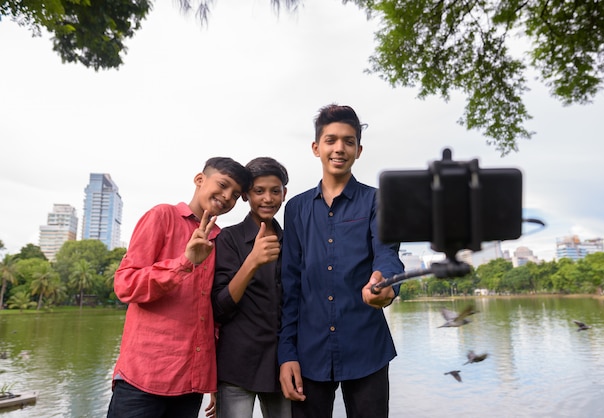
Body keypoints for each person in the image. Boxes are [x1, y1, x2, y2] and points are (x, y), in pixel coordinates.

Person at [277, 104, 404, 418]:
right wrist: (286, 353)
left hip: (366, 345)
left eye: (348, 141)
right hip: (308, 351)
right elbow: (290, 283)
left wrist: (384, 283)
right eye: (331, 140)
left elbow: (387, 255)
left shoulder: (378, 201)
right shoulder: (295, 208)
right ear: (316, 147)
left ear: (359, 150)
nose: (339, 148)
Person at [107, 157, 252, 418]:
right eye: (222, 185)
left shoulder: (221, 239)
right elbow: (125, 286)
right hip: (143, 379)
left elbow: (213, 318)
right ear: (199, 179)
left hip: (190, 384)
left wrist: (215, 384)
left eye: (235, 194)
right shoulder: (162, 216)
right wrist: (184, 263)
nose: (227, 197)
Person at [210, 156, 291, 418]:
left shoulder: (292, 241)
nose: (267, 199)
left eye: (275, 191)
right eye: (259, 191)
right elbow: (219, 307)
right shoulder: (228, 238)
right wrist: (252, 262)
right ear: (246, 195)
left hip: (283, 365)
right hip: (237, 365)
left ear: (284, 193)